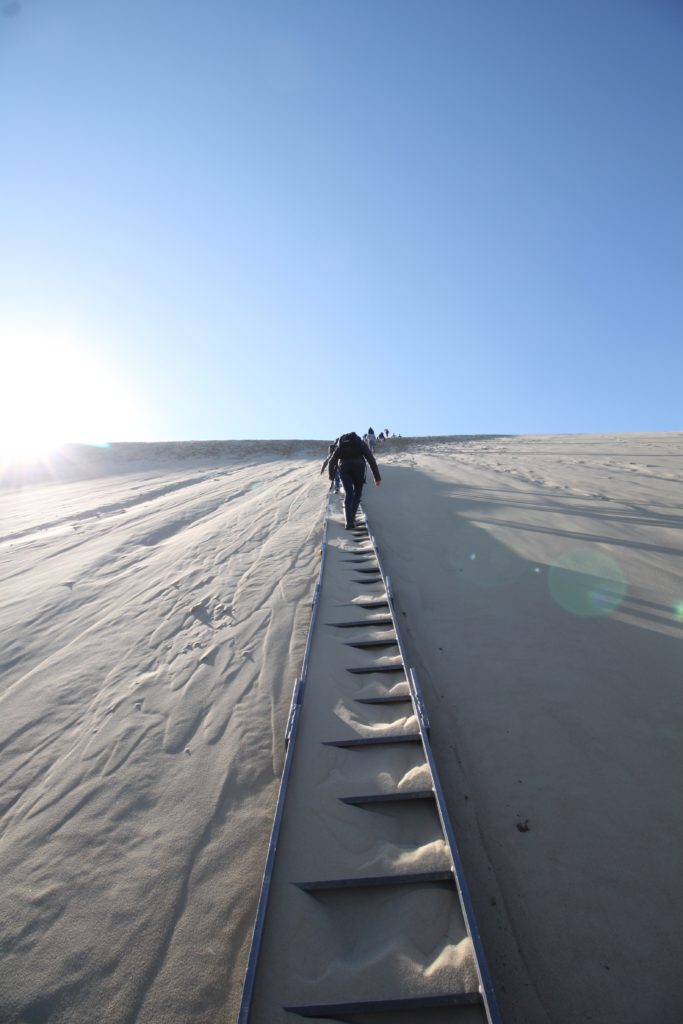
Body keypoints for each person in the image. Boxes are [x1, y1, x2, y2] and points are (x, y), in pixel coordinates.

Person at [327, 431, 381, 529]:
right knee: (357, 493)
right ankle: (351, 517)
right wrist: (377, 477)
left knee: (349, 493)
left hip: (344, 468)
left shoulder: (341, 445)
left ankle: (349, 522)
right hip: (358, 468)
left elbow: (332, 461)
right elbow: (371, 459)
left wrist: (331, 475)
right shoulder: (360, 443)